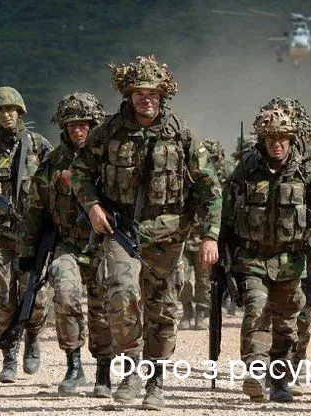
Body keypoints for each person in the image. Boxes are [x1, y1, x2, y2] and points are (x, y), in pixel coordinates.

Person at [71, 55, 222, 410]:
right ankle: (131, 367)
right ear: (129, 95)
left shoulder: (181, 134)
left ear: (162, 95)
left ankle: (156, 379)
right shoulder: (108, 131)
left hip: (168, 234)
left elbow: (210, 188)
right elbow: (79, 171)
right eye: (139, 92)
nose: (146, 99)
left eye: (152, 93)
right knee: (121, 293)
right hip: (121, 229)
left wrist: (210, 235)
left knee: (163, 308)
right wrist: (92, 207)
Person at [221, 97, 311, 402]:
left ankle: (279, 380)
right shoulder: (244, 171)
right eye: (271, 138)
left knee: (287, 324)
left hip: (290, 261)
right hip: (252, 259)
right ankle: (256, 369)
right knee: (257, 308)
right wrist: (215, 247)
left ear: (291, 139)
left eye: (283, 138)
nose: (277, 144)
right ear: (262, 140)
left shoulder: (306, 174)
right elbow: (224, 213)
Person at [18, 92, 114, 396]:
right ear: (64, 126)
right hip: (68, 245)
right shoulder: (52, 164)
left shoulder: (109, 160)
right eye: (72, 124)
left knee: (102, 307)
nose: (78, 129)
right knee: (65, 294)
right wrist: (27, 252)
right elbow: (35, 210)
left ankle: (103, 371)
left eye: (84, 124)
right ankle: (74, 366)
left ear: (94, 125)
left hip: (104, 245)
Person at [0, 86, 52, 383]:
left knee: (34, 295)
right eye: (0, 110)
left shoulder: (39, 145)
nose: (6, 114)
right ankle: (9, 355)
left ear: (20, 111)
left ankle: (33, 338)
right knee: (2, 297)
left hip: (31, 234)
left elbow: (58, 185)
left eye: (11, 109)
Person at [178, 138, 229, 330]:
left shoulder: (220, 178)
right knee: (181, 277)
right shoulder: (184, 174)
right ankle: (186, 309)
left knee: (204, 279)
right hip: (183, 234)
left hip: (204, 236)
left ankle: (201, 311)